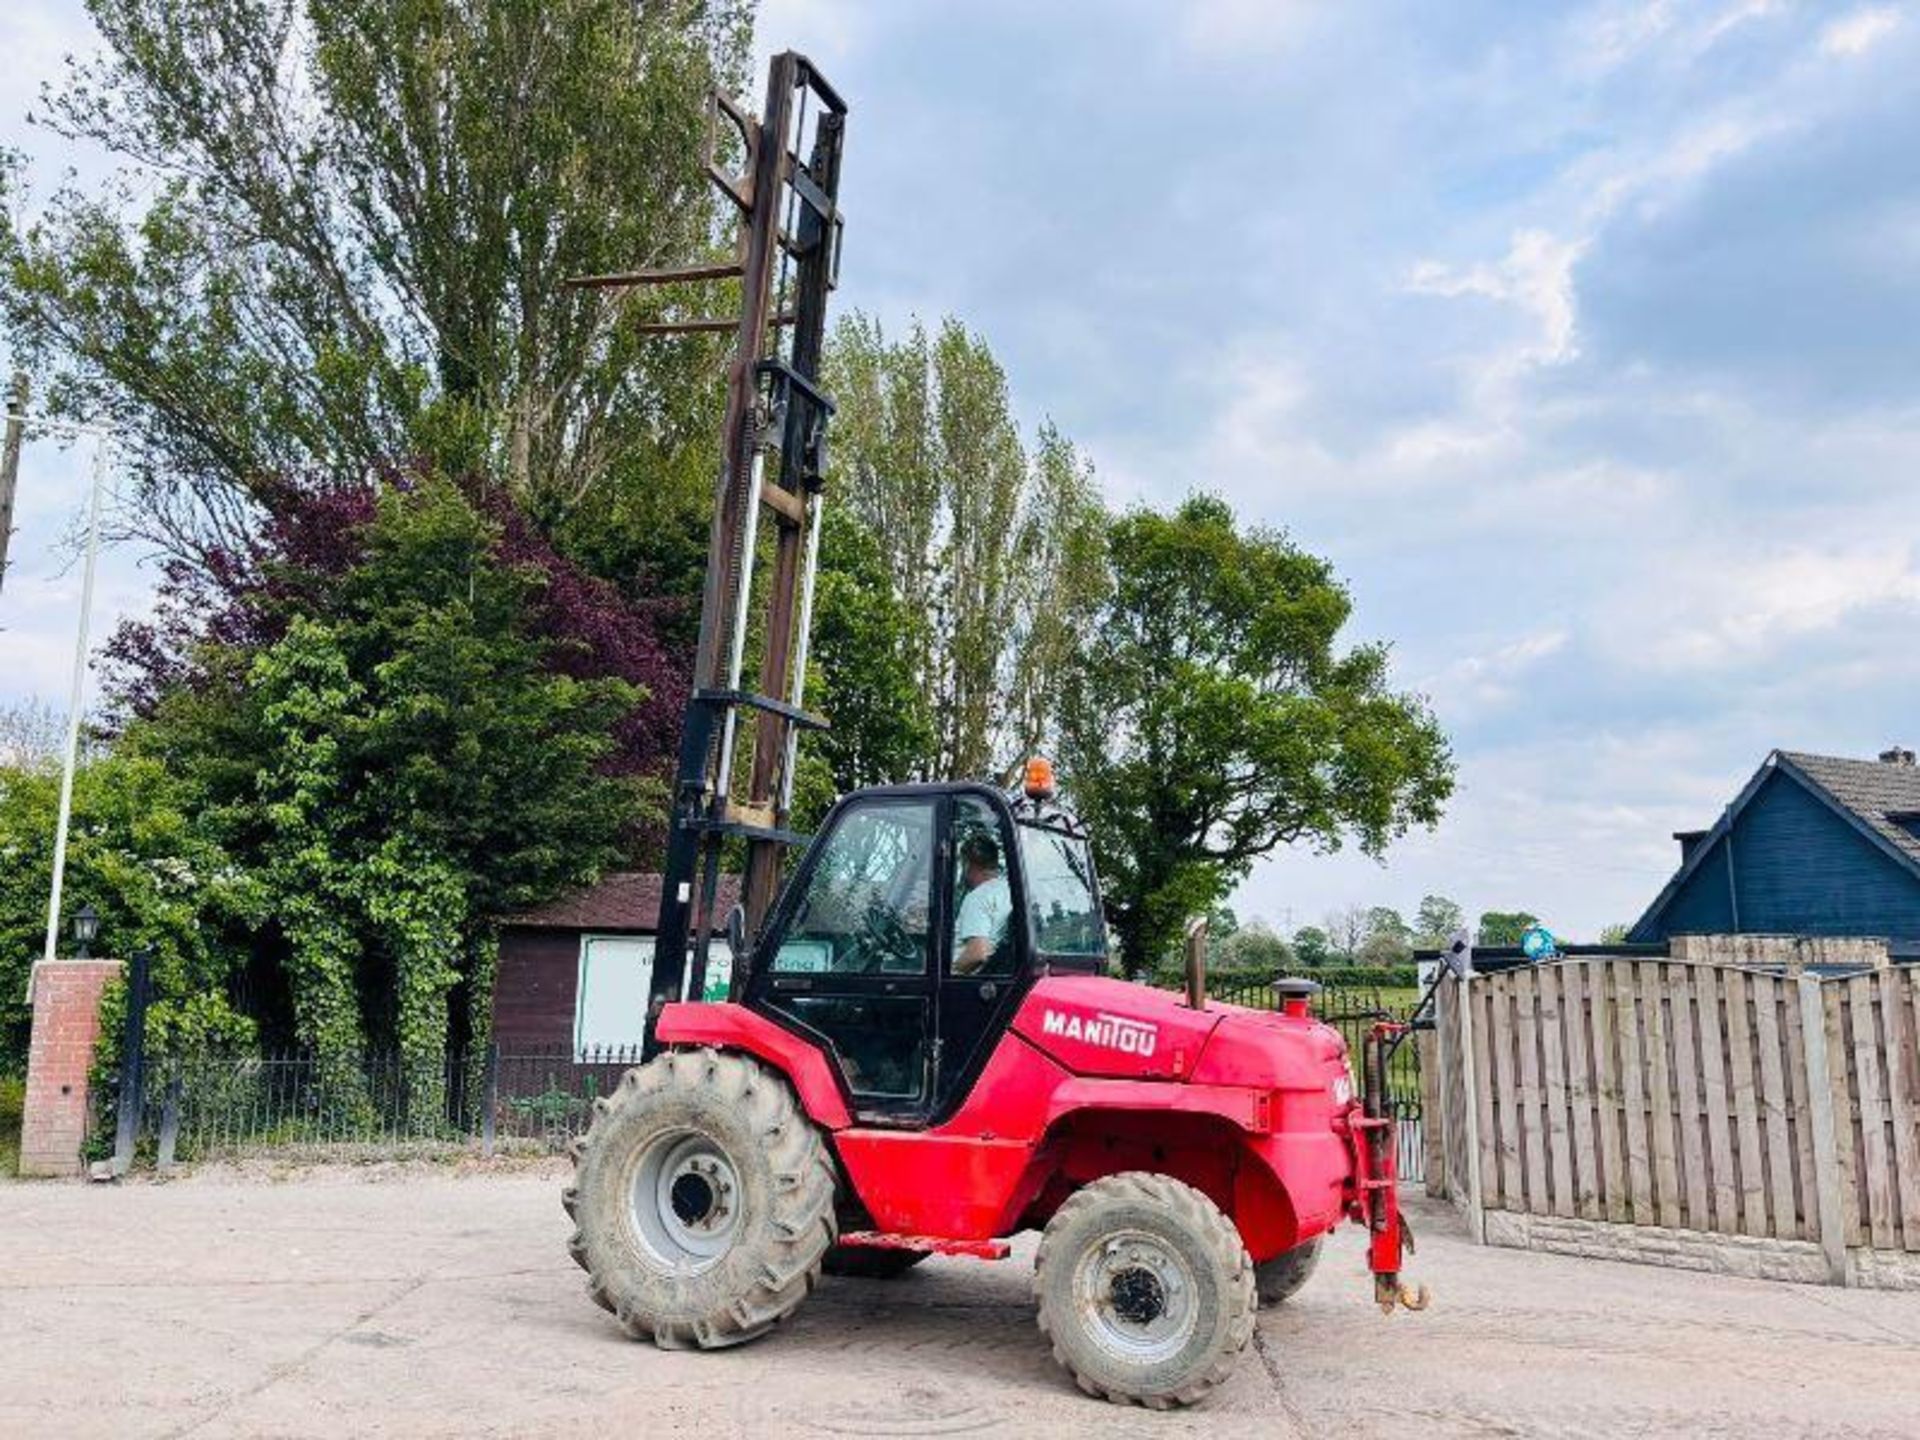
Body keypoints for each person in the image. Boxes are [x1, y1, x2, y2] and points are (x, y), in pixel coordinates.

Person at [953, 831, 1011, 974]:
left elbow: (977, 953)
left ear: (967, 864)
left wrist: (949, 973)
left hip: (962, 984)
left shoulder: (978, 897)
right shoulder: (1009, 891)